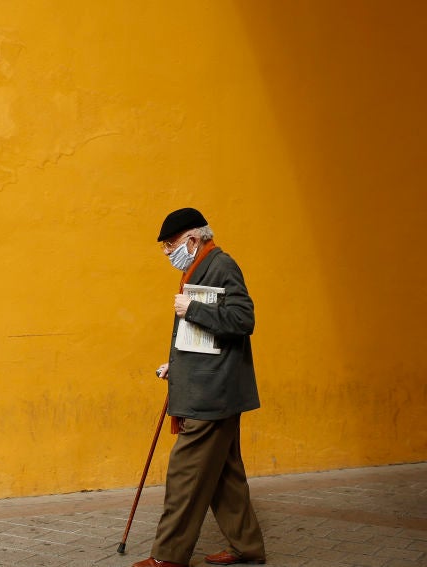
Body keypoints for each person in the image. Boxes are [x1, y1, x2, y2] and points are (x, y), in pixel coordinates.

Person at [133, 208, 266, 567]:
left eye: (170, 244)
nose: (167, 252)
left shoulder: (221, 265)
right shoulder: (199, 266)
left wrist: (192, 308)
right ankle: (247, 547)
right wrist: (174, 366)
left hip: (212, 394)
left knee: (185, 475)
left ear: (192, 239)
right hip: (208, 385)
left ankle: (168, 557)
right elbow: (202, 341)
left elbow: (243, 319)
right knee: (225, 476)